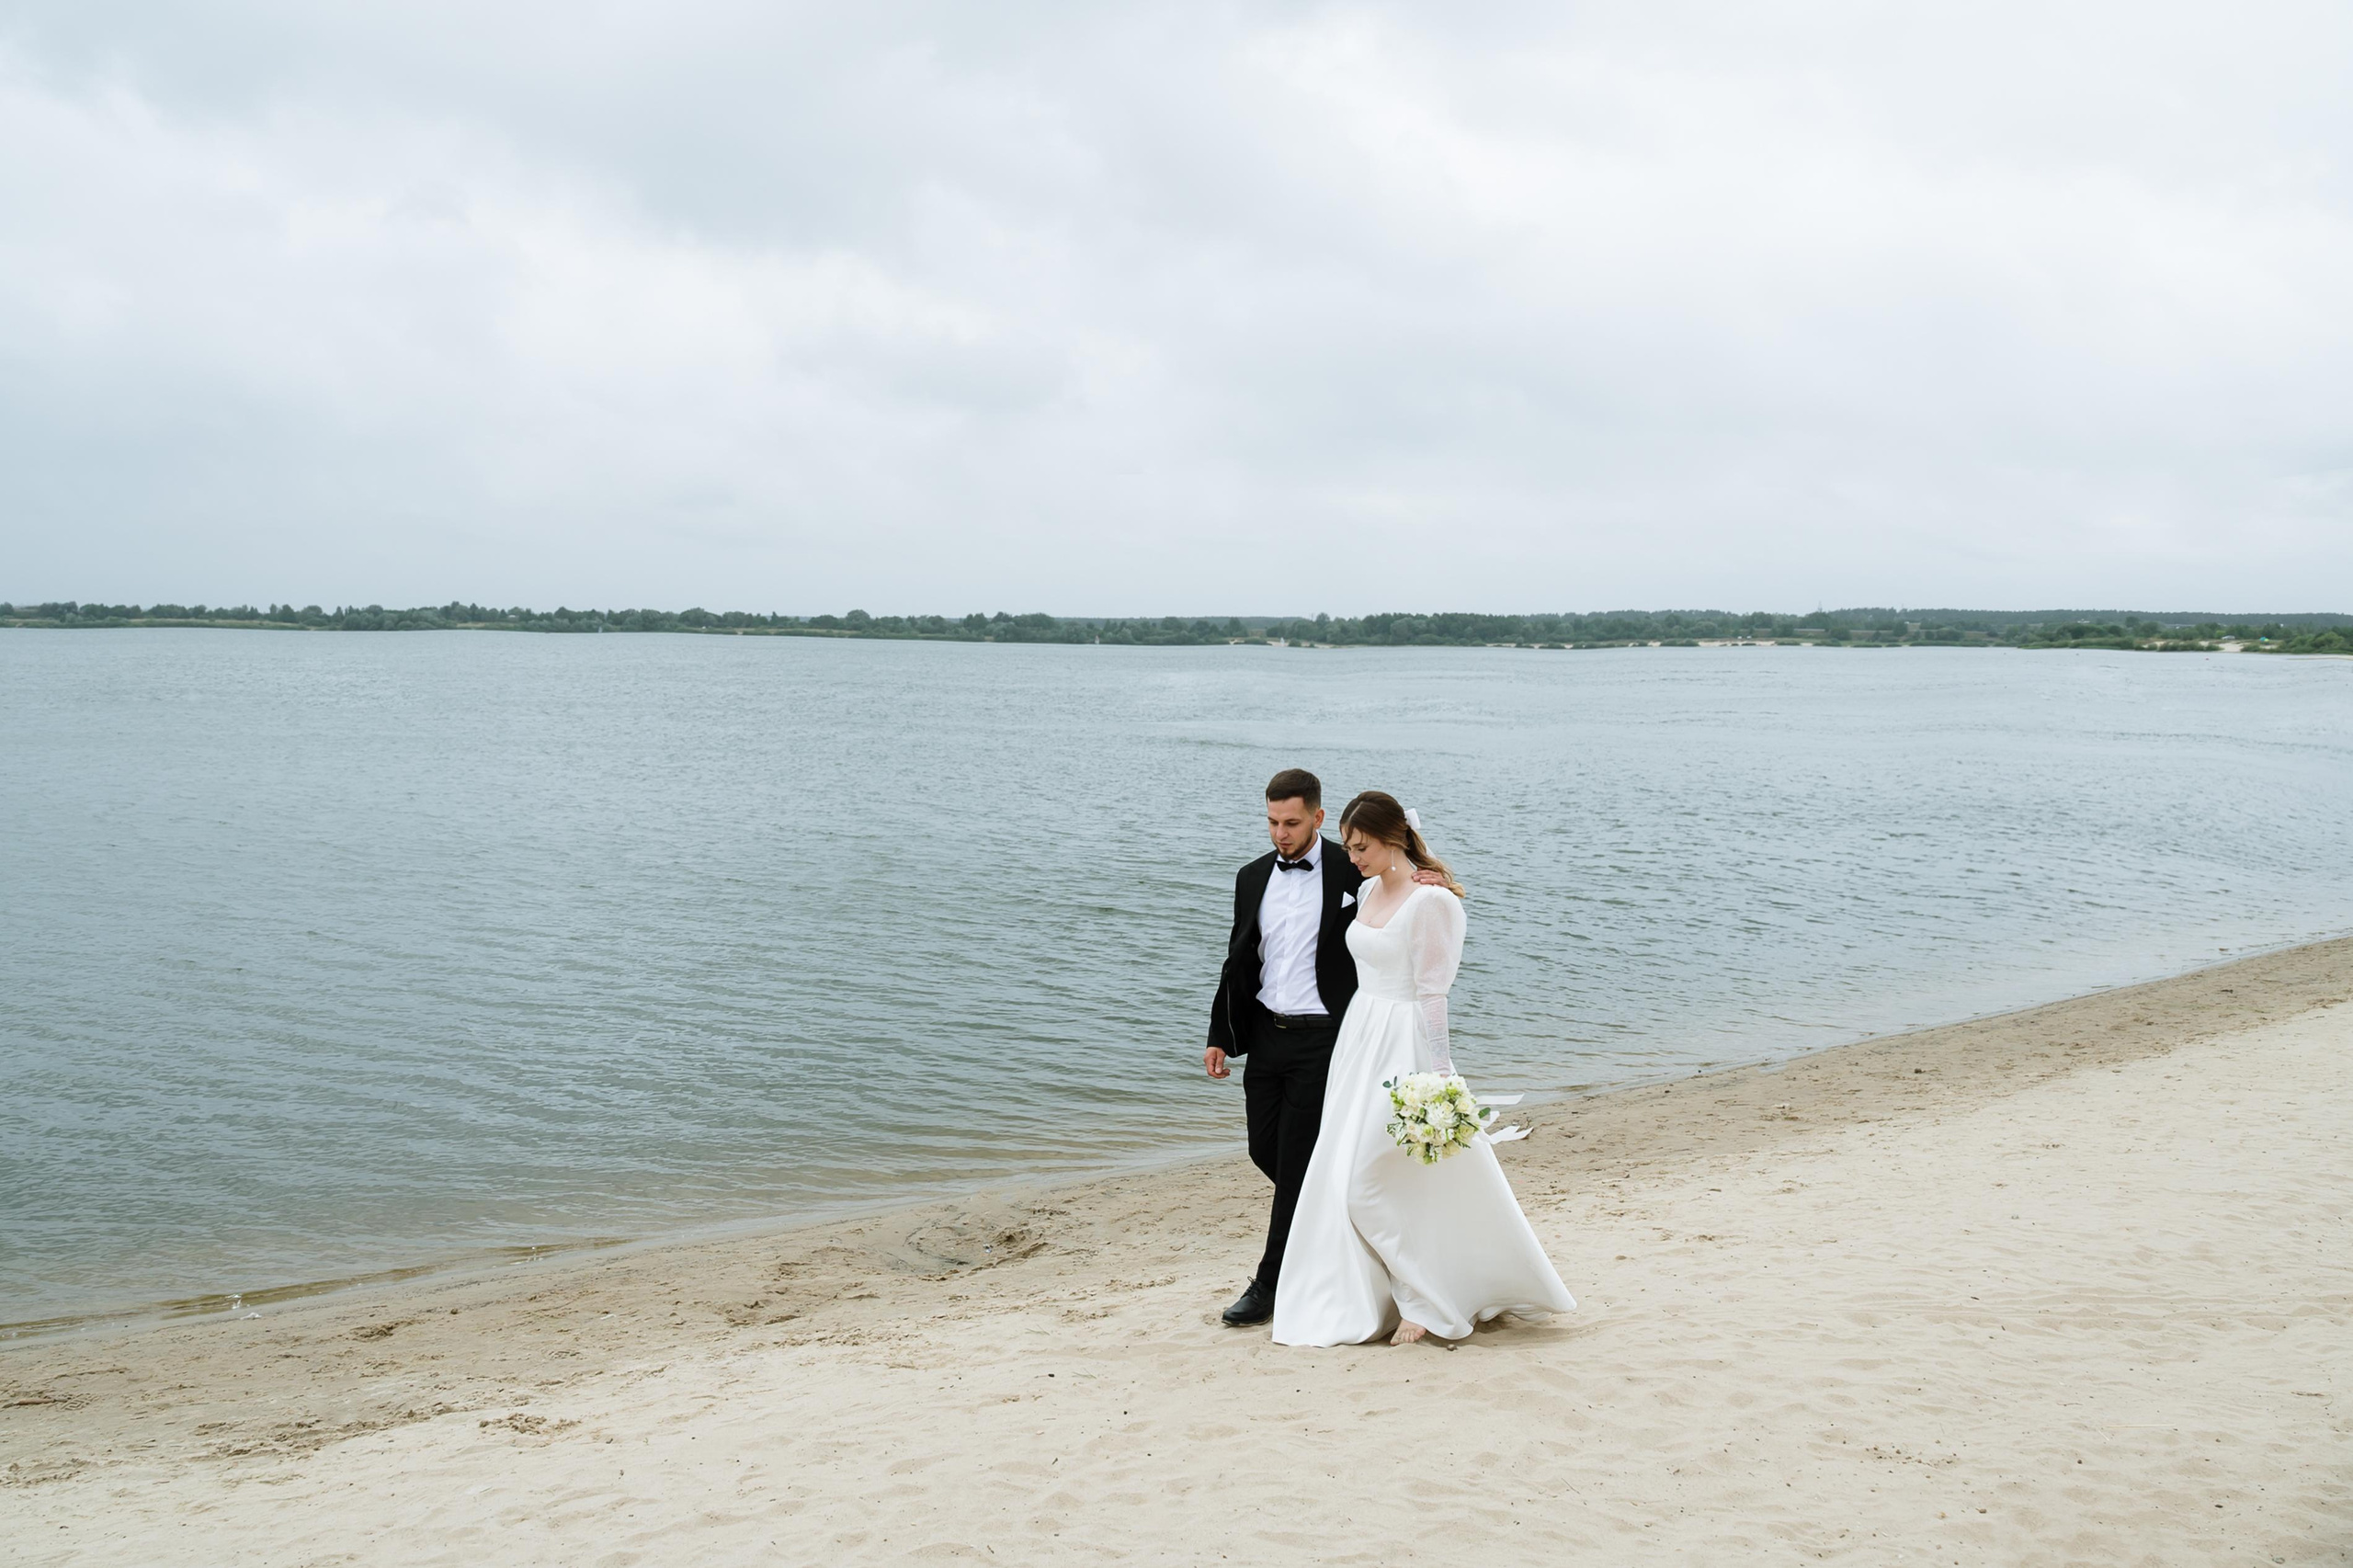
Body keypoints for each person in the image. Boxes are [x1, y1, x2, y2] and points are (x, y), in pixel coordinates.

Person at [1267, 790, 1574, 1347]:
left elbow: (1434, 993)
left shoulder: (1432, 903)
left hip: (1403, 1046)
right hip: (1360, 1040)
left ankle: (1426, 1297)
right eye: (1348, 847)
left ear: (1394, 840)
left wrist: (1441, 1073)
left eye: (1361, 847)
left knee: (1368, 1181)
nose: (1353, 857)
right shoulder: (1367, 888)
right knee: (1352, 1172)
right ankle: (1391, 1292)